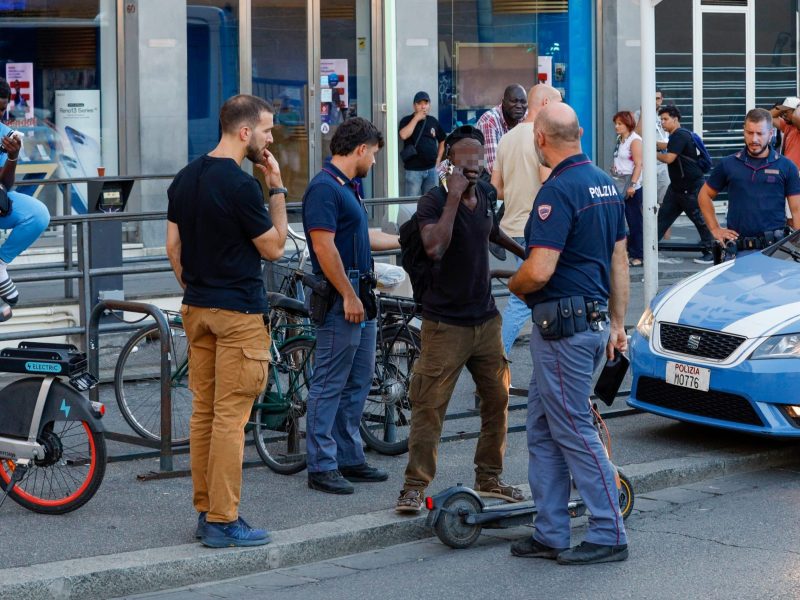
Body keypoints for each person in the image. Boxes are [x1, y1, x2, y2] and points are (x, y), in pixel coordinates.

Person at [507, 102, 630, 565]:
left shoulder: (555, 192)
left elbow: (538, 271)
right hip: (591, 324)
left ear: (540, 138)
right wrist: (618, 323)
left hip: (563, 331)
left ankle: (608, 530)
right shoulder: (605, 183)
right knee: (542, 428)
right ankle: (551, 531)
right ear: (578, 132)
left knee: (574, 430)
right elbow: (619, 261)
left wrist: (512, 285)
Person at [166, 94, 288, 548]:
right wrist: (275, 187)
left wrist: (195, 289)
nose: (270, 138)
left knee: (205, 415)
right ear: (244, 133)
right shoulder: (240, 186)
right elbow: (274, 247)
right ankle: (223, 519)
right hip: (237, 313)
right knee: (230, 421)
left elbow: (171, 247)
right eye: (266, 130)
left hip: (197, 309)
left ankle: (206, 512)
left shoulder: (185, 178)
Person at [395, 125, 525, 514]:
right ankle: (415, 486)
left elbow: (492, 232)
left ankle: (489, 477)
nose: (475, 171)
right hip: (445, 324)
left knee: (497, 400)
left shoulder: (485, 194)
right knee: (430, 405)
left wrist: (527, 254)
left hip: (486, 321)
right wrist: (453, 196)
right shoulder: (432, 202)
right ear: (450, 163)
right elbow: (434, 247)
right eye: (466, 166)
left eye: (479, 163)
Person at [302, 117, 401, 495]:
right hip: (343, 297)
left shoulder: (346, 187)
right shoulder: (325, 189)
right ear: (361, 149)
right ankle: (322, 465)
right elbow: (324, 247)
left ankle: (348, 456)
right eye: (374, 154)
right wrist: (347, 294)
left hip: (361, 294)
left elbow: (364, 235)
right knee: (329, 383)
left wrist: (407, 239)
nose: (375, 161)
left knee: (358, 381)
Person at [491, 83, 561, 355]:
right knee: (525, 302)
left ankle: (502, 366)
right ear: (544, 105)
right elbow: (548, 183)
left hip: (512, 229)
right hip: (539, 229)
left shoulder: (507, 138)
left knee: (524, 299)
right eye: (556, 104)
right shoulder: (542, 137)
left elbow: (497, 188)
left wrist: (519, 188)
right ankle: (497, 362)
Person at [698, 108, 800, 257]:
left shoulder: (786, 166)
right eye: (750, 133)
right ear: (743, 131)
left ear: (771, 134)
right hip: (738, 251)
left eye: (760, 133)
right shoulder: (729, 164)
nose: (754, 139)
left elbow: (797, 211)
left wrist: (797, 249)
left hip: (776, 252)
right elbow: (704, 195)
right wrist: (715, 229)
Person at [0, 78, 50, 317]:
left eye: (1, 109)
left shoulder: (3, 133)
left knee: (38, 213)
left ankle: (0, 264)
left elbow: (5, 186)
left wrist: (12, 157)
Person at [656, 105, 716, 265]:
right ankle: (648, 249)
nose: (662, 122)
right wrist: (653, 144)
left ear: (675, 120)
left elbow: (669, 158)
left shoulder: (679, 136)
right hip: (677, 187)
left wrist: (649, 152)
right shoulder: (678, 136)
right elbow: (666, 146)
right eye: (661, 119)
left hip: (690, 186)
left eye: (665, 119)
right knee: (663, 218)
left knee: (699, 218)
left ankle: (711, 251)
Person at [611, 111, 643, 267]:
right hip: (620, 179)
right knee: (622, 218)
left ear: (627, 124)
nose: (616, 127)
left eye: (620, 124)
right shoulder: (620, 139)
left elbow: (639, 164)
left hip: (630, 183)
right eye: (616, 124)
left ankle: (638, 254)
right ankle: (629, 250)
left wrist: (633, 184)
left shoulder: (635, 140)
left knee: (634, 219)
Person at [398, 91, 446, 198]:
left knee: (432, 201)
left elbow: (443, 140)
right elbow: (403, 135)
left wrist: (438, 159)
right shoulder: (406, 120)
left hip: (432, 170)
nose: (423, 106)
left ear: (429, 105)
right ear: (414, 105)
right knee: (411, 202)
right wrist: (416, 118)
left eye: (426, 103)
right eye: (419, 103)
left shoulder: (433, 121)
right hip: (413, 171)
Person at [476, 84, 528, 175]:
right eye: (514, 101)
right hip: (486, 177)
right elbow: (493, 167)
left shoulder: (526, 116)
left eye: (523, 102)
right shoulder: (489, 121)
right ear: (503, 102)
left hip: (513, 173)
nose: (519, 106)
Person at [770, 97, 800, 170]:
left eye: (786, 112)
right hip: (787, 171)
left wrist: (797, 106)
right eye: (783, 112)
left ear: (795, 111)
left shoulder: (798, 127)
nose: (783, 115)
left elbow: (796, 117)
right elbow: (768, 116)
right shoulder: (787, 126)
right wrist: (782, 109)